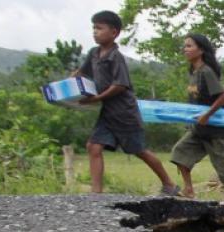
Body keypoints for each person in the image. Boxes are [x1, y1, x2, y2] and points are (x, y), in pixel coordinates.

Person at [73, 10, 177, 195]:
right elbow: (81, 73)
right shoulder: (94, 54)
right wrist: (67, 86)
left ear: (113, 32)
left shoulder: (115, 57)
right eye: (93, 28)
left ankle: (169, 184)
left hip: (124, 113)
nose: (95, 32)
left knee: (139, 150)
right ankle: (96, 194)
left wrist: (96, 98)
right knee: (93, 146)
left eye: (99, 28)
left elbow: (120, 85)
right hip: (107, 113)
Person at [170, 34, 224, 204]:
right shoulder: (194, 72)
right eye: (185, 46)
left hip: (217, 131)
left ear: (201, 50)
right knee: (180, 153)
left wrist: (207, 115)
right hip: (198, 129)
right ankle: (188, 189)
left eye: (189, 46)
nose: (185, 49)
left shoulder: (206, 72)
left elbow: (223, 96)